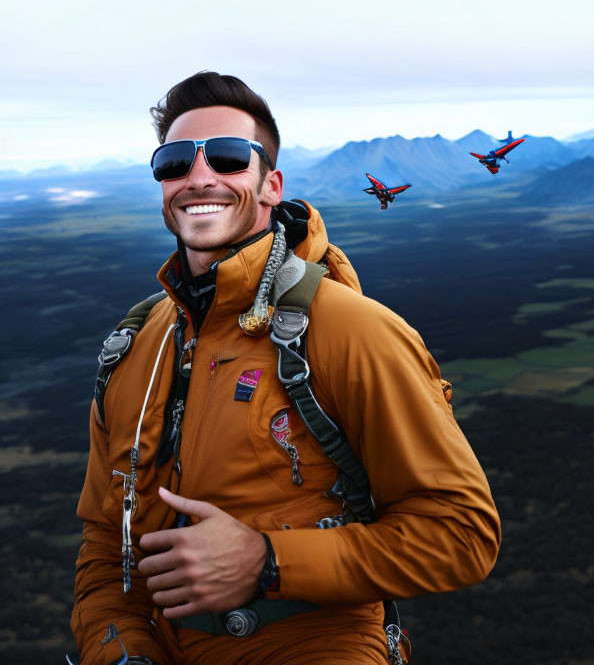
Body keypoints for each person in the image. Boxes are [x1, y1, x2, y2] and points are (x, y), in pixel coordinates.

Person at [71, 71, 501, 665]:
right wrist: (119, 650)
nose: (199, 177)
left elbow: (462, 534)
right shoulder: (134, 348)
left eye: (226, 158)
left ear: (271, 185)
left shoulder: (351, 330)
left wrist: (267, 560)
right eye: (173, 163)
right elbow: (104, 545)